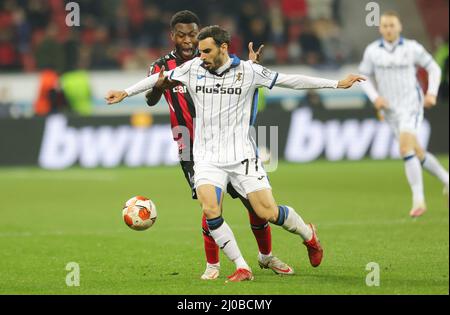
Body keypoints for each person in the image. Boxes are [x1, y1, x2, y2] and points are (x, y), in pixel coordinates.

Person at [105, 25, 364, 282]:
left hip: (242, 157)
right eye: (199, 51)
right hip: (207, 157)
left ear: (224, 48)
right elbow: (158, 78)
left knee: (267, 213)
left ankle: (309, 235)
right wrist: (125, 93)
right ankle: (242, 266)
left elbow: (290, 80)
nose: (201, 56)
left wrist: (337, 84)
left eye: (206, 51)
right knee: (210, 209)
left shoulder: (249, 71)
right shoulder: (193, 68)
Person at [140, 11, 293, 280]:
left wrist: (251, 67)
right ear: (172, 36)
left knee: (255, 206)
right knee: (210, 206)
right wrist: (158, 86)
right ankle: (213, 265)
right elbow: (151, 100)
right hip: (190, 146)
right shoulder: (162, 66)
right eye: (182, 35)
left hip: (231, 144)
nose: (188, 40)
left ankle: (266, 256)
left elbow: (238, 77)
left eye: (193, 34)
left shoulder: (210, 61)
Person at [358, 11, 449, 217]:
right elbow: (363, 77)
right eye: (385, 26)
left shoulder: (412, 48)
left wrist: (431, 93)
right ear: (380, 28)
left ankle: (419, 200)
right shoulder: (373, 51)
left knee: (405, 147)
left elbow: (434, 68)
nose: (389, 29)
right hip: (391, 111)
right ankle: (447, 180)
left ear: (399, 27)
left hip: (412, 106)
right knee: (416, 151)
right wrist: (376, 98)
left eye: (392, 25)